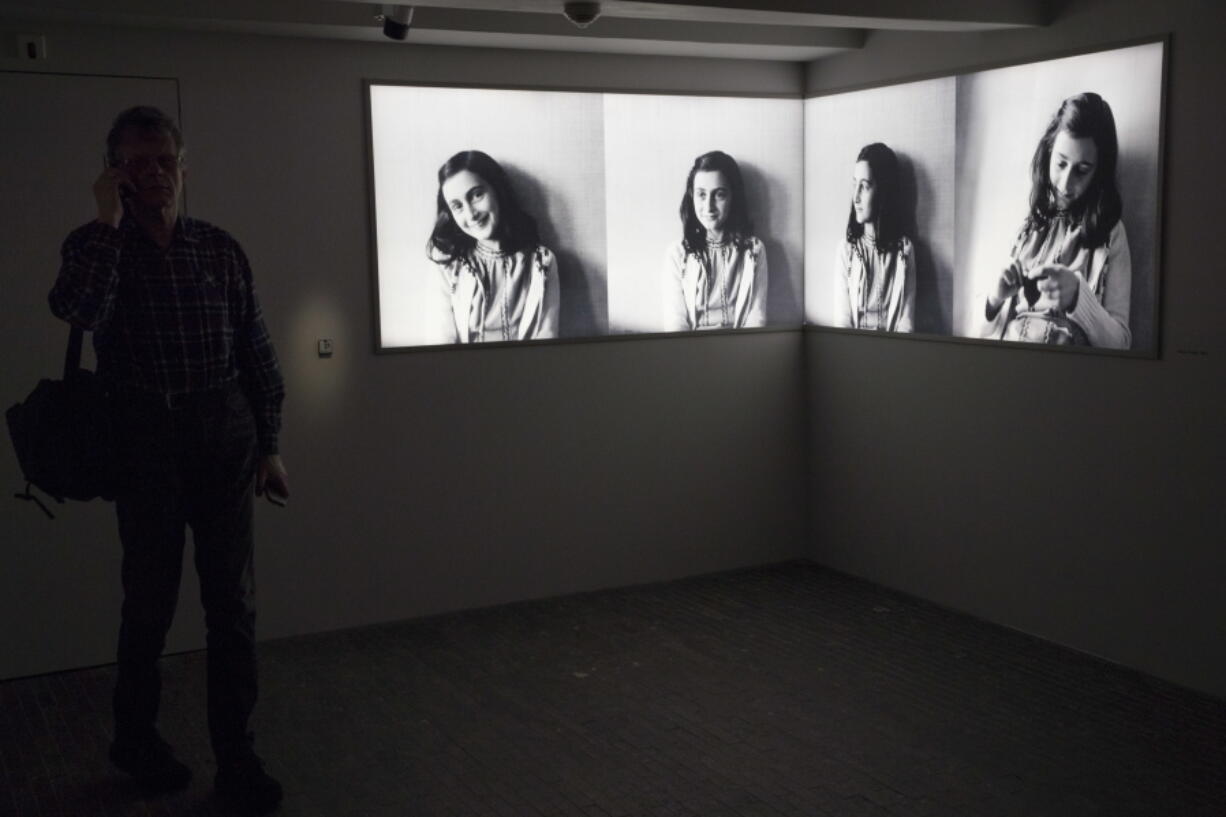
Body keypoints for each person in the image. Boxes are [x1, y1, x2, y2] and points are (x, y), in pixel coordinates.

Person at [48, 106, 287, 814]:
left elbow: (257, 352)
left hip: (223, 436)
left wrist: (270, 444)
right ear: (114, 171)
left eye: (162, 160)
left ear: (183, 167)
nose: (152, 173)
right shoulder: (97, 245)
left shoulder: (219, 248)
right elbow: (77, 311)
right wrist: (104, 225)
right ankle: (136, 740)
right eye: (134, 162)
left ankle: (237, 756)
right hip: (144, 441)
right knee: (148, 604)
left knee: (232, 608)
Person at [983, 92, 1132, 348]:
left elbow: (1121, 344)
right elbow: (983, 336)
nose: (1065, 184)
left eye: (1082, 170)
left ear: (1099, 172)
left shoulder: (1112, 234)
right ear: (1049, 152)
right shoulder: (1029, 227)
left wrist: (1077, 297)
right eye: (1061, 164)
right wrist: (994, 300)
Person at [427, 150, 559, 343]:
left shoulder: (542, 262)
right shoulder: (446, 263)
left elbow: (548, 336)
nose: (471, 214)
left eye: (476, 195)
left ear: (498, 189)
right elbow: (440, 343)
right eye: (457, 206)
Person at [663, 150, 767, 331]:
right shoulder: (677, 253)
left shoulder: (754, 250)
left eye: (719, 194)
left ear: (733, 197)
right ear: (692, 196)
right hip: (692, 350)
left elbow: (756, 317)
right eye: (701, 194)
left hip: (740, 349)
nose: (709, 207)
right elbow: (675, 322)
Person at [835, 142, 915, 332]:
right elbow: (842, 322)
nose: (855, 197)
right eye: (855, 184)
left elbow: (907, 323)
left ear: (883, 192)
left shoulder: (904, 251)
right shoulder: (846, 251)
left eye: (865, 186)